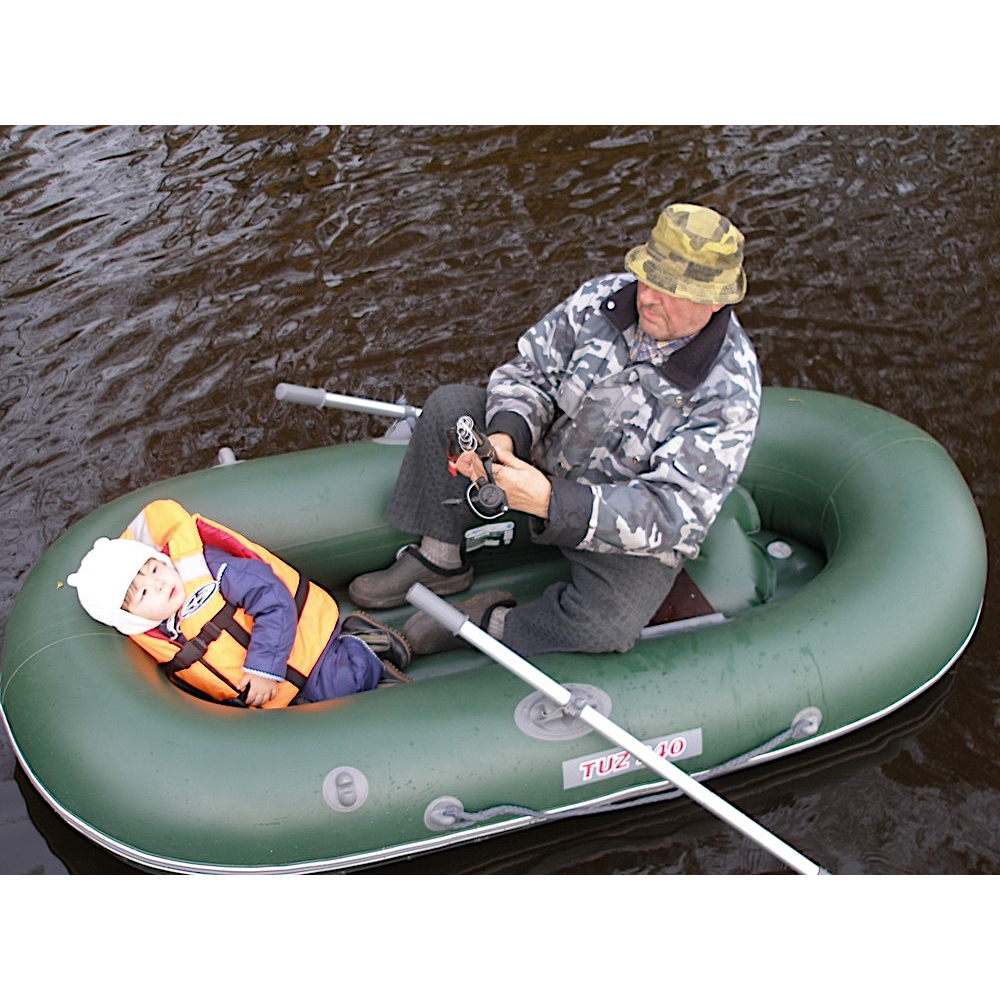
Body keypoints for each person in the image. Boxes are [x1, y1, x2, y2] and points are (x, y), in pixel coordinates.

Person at [348, 203, 762, 657]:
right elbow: (531, 374)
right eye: (648, 277)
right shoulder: (601, 301)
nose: (646, 297)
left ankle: (486, 622)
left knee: (604, 628)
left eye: (670, 290)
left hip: (612, 527)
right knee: (452, 407)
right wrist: (504, 436)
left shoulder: (731, 390)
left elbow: (673, 512)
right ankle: (439, 561)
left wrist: (550, 501)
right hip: (538, 459)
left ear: (715, 300)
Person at [67, 498, 411, 708]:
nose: (159, 584)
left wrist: (264, 669)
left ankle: (363, 650)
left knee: (342, 686)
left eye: (154, 567)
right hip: (275, 696)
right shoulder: (157, 635)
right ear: (130, 619)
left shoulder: (208, 570)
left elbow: (271, 597)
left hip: (302, 650)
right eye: (143, 594)